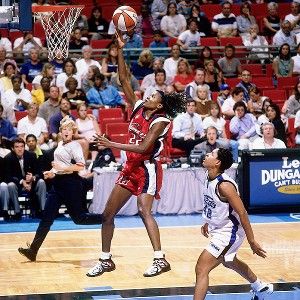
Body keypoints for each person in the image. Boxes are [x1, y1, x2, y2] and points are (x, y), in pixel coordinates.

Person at [86, 29, 187, 278]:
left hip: (148, 169)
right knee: (107, 214)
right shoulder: (140, 107)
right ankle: (106, 259)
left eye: (153, 94)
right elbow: (123, 78)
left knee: (144, 211)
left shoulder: (161, 121)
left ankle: (160, 259)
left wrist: (112, 143)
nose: (148, 94)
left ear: (160, 104)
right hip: (130, 167)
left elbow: (143, 149)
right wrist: (119, 49)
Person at [18, 116, 103, 262]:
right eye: (64, 129)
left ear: (73, 132)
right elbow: (58, 165)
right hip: (58, 185)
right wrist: (52, 172)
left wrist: (62, 168)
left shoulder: (75, 145)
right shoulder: (61, 144)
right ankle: (33, 250)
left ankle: (106, 218)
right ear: (60, 131)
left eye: (69, 129)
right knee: (46, 218)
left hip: (72, 185)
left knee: (79, 219)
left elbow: (80, 166)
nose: (66, 132)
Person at [194, 147, 274, 300]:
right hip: (219, 227)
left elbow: (242, 212)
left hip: (230, 231)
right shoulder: (208, 175)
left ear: (217, 163)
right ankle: (259, 287)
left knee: (201, 268)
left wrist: (252, 241)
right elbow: (213, 203)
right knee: (228, 260)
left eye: (211, 154)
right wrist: (207, 222)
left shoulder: (224, 185)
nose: (206, 155)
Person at [4, 138, 47, 221]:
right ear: (12, 148)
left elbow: (39, 172)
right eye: (17, 147)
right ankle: (17, 212)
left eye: (22, 146)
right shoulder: (8, 158)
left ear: (24, 147)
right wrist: (21, 181)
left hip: (32, 183)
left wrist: (33, 178)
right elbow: (7, 176)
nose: (20, 149)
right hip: (18, 184)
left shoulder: (31, 155)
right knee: (10, 185)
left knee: (41, 182)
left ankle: (43, 210)